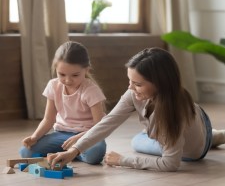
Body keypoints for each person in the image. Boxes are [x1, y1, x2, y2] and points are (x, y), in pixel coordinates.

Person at [48, 47, 225, 172]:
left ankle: (215, 136)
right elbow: (108, 122)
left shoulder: (175, 113)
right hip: (183, 126)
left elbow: (170, 164)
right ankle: (210, 135)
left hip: (194, 148)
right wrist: (74, 151)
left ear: (160, 83)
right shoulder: (134, 94)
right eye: (130, 81)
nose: (130, 88)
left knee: (142, 141)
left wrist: (122, 160)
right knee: (136, 141)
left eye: (138, 84)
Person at [19, 41, 107, 165]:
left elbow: (99, 126)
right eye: (62, 74)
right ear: (56, 68)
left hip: (88, 134)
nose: (68, 80)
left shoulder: (91, 90)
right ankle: (71, 153)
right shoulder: (53, 86)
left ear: (86, 70)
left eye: (75, 75)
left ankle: (72, 153)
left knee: (94, 154)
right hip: (61, 134)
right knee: (26, 152)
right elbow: (48, 119)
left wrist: (79, 139)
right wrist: (35, 137)